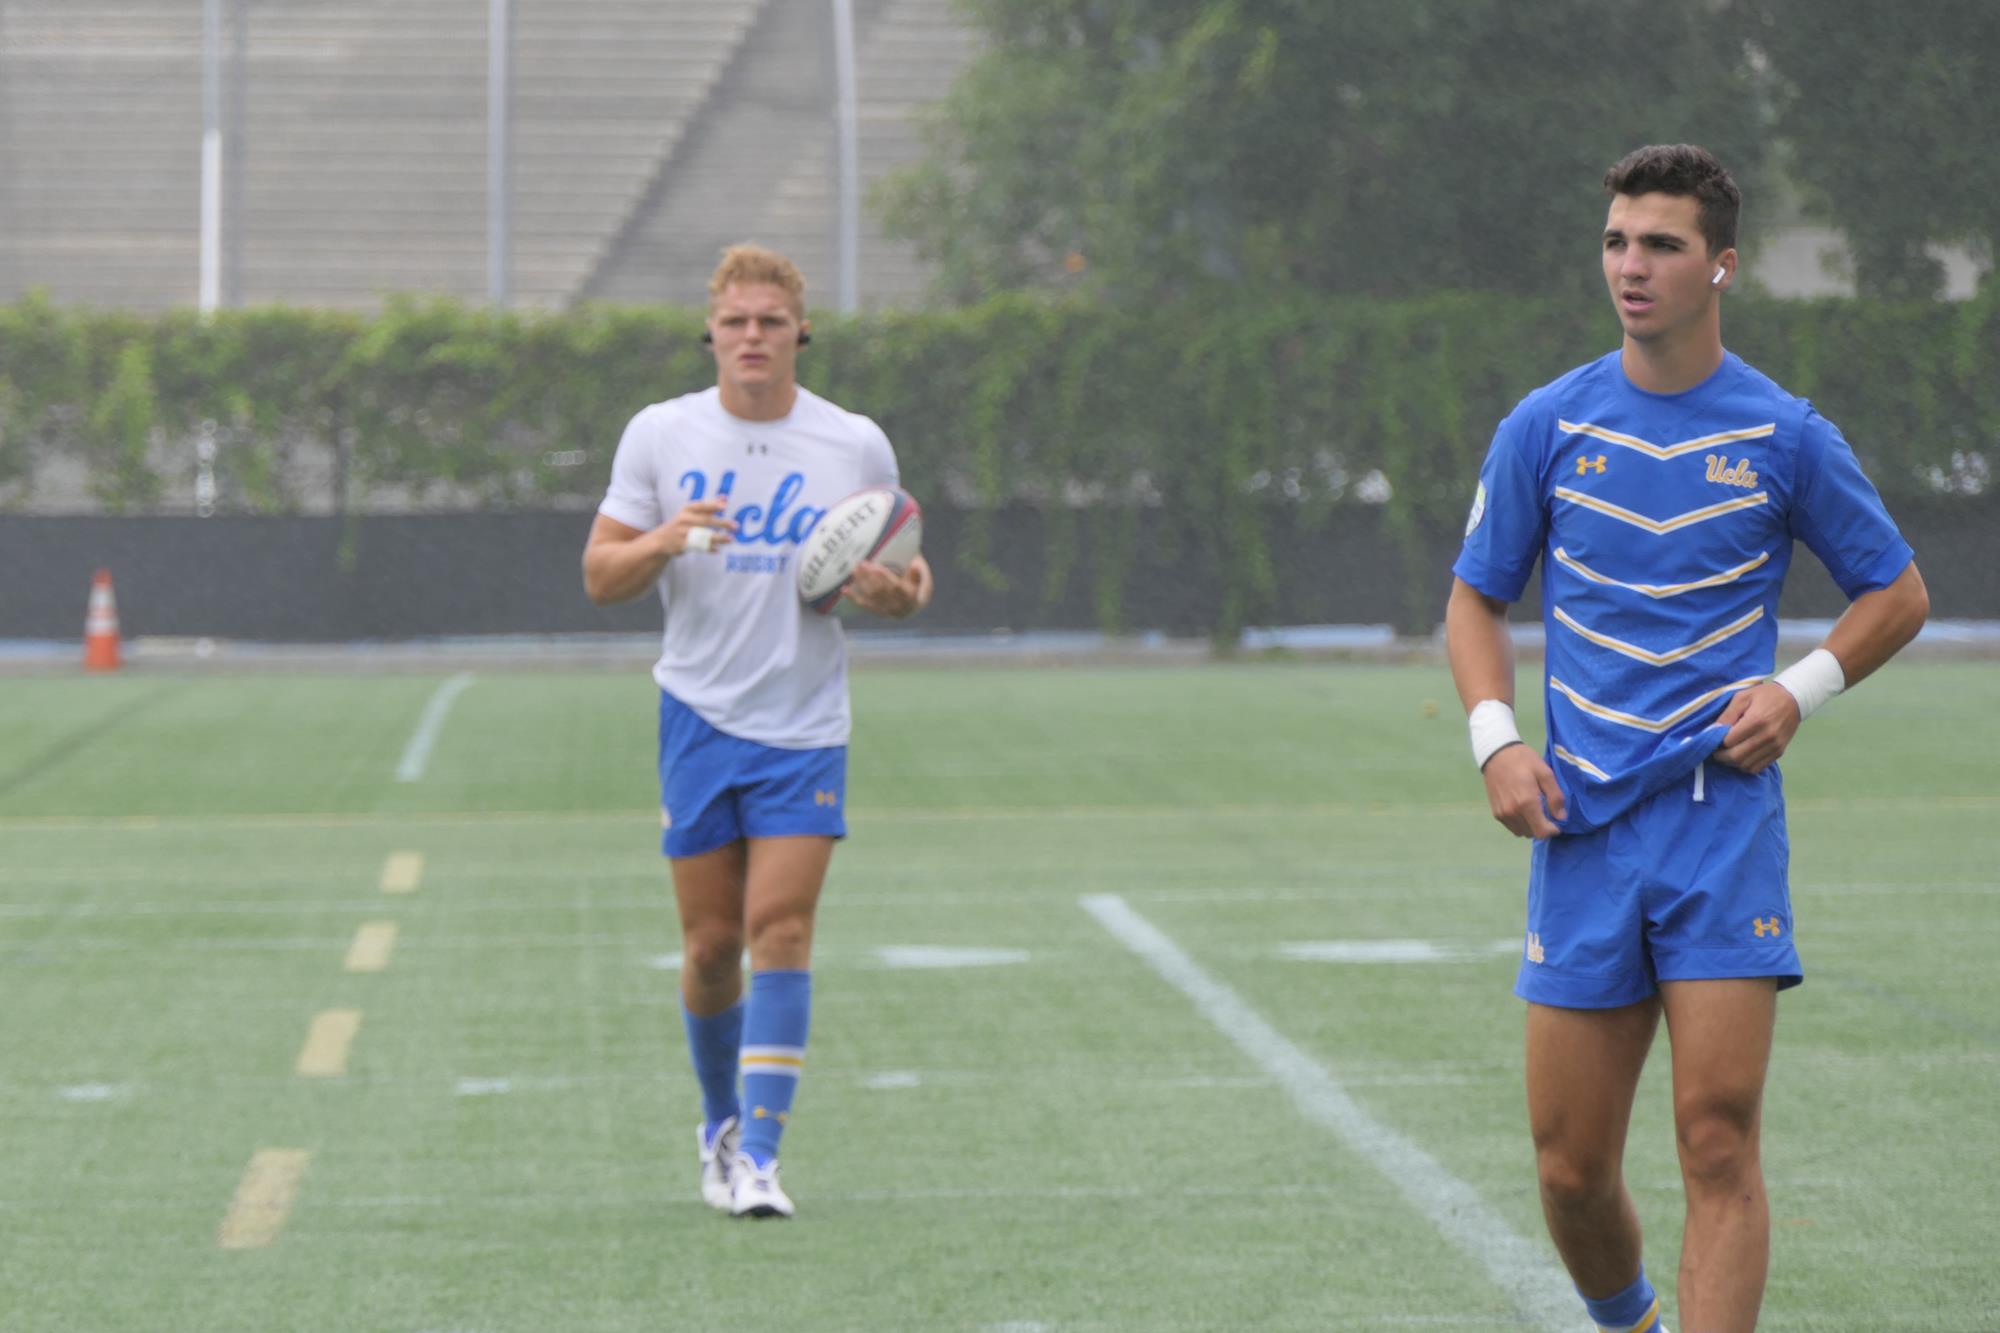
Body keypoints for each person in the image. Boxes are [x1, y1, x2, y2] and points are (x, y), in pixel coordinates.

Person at [1445, 144, 1928, 1332]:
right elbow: (1472, 600)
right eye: (1615, 240)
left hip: (1720, 830)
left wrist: (1800, 688)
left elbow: (1896, 591)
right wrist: (1498, 742)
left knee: (1715, 1136)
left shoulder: (1781, 431)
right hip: (1581, 830)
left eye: (1659, 244)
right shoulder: (1545, 425)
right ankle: (1631, 1322)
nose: (1630, 265)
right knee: (1568, 1168)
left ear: (1719, 265)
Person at [582, 243, 932, 1219]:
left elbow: (911, 573)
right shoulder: (659, 435)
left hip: (804, 723)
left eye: (769, 322)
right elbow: (599, 575)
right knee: (707, 947)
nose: (751, 337)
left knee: (779, 926)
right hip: (696, 715)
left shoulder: (852, 443)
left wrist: (893, 597)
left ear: (798, 333)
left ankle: (762, 1157)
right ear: (711, 332)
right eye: (734, 321)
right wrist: (662, 538)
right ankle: (718, 1123)